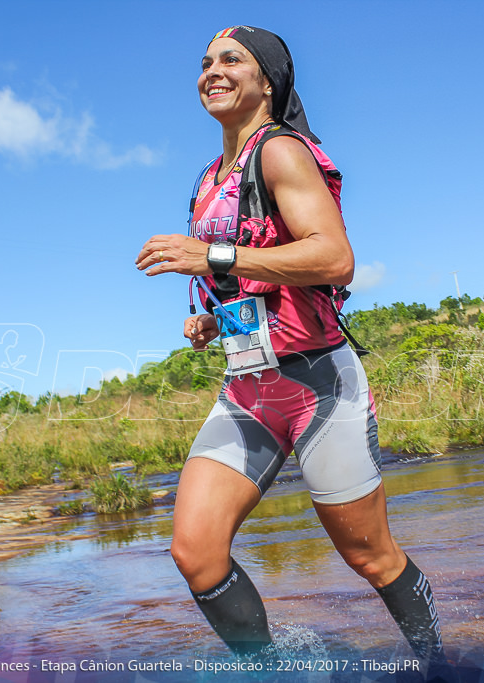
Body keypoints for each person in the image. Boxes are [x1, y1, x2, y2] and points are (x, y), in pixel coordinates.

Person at [136, 26, 448, 675]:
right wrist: (214, 323)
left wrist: (210, 253)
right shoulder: (208, 181)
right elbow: (251, 277)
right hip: (249, 388)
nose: (212, 71)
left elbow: (335, 258)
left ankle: (440, 664)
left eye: (231, 60)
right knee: (196, 550)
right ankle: (269, 668)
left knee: (371, 556)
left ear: (268, 80)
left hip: (318, 384)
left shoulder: (279, 152)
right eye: (205, 62)